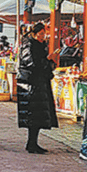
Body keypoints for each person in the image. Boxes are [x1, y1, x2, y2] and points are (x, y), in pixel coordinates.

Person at [16, 23, 58, 154]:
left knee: (37, 116)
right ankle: (32, 143)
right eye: (40, 34)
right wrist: (47, 59)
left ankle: (32, 143)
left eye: (44, 34)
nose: (42, 37)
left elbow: (43, 65)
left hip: (39, 84)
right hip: (32, 86)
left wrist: (50, 62)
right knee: (33, 116)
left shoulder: (39, 46)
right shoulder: (29, 46)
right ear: (34, 34)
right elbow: (33, 64)